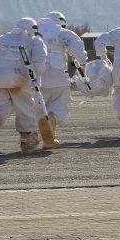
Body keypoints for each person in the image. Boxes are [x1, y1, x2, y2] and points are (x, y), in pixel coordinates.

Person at [0, 18, 51, 155]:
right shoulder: (35, 41)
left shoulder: (1, 39)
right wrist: (37, 74)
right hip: (21, 81)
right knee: (24, 110)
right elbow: (40, 64)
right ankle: (28, 140)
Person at [36, 10, 88, 145]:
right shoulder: (63, 33)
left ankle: (44, 141)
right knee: (61, 103)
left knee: (40, 107)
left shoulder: (35, 32)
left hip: (38, 77)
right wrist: (82, 64)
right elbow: (78, 51)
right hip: (58, 76)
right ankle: (52, 120)